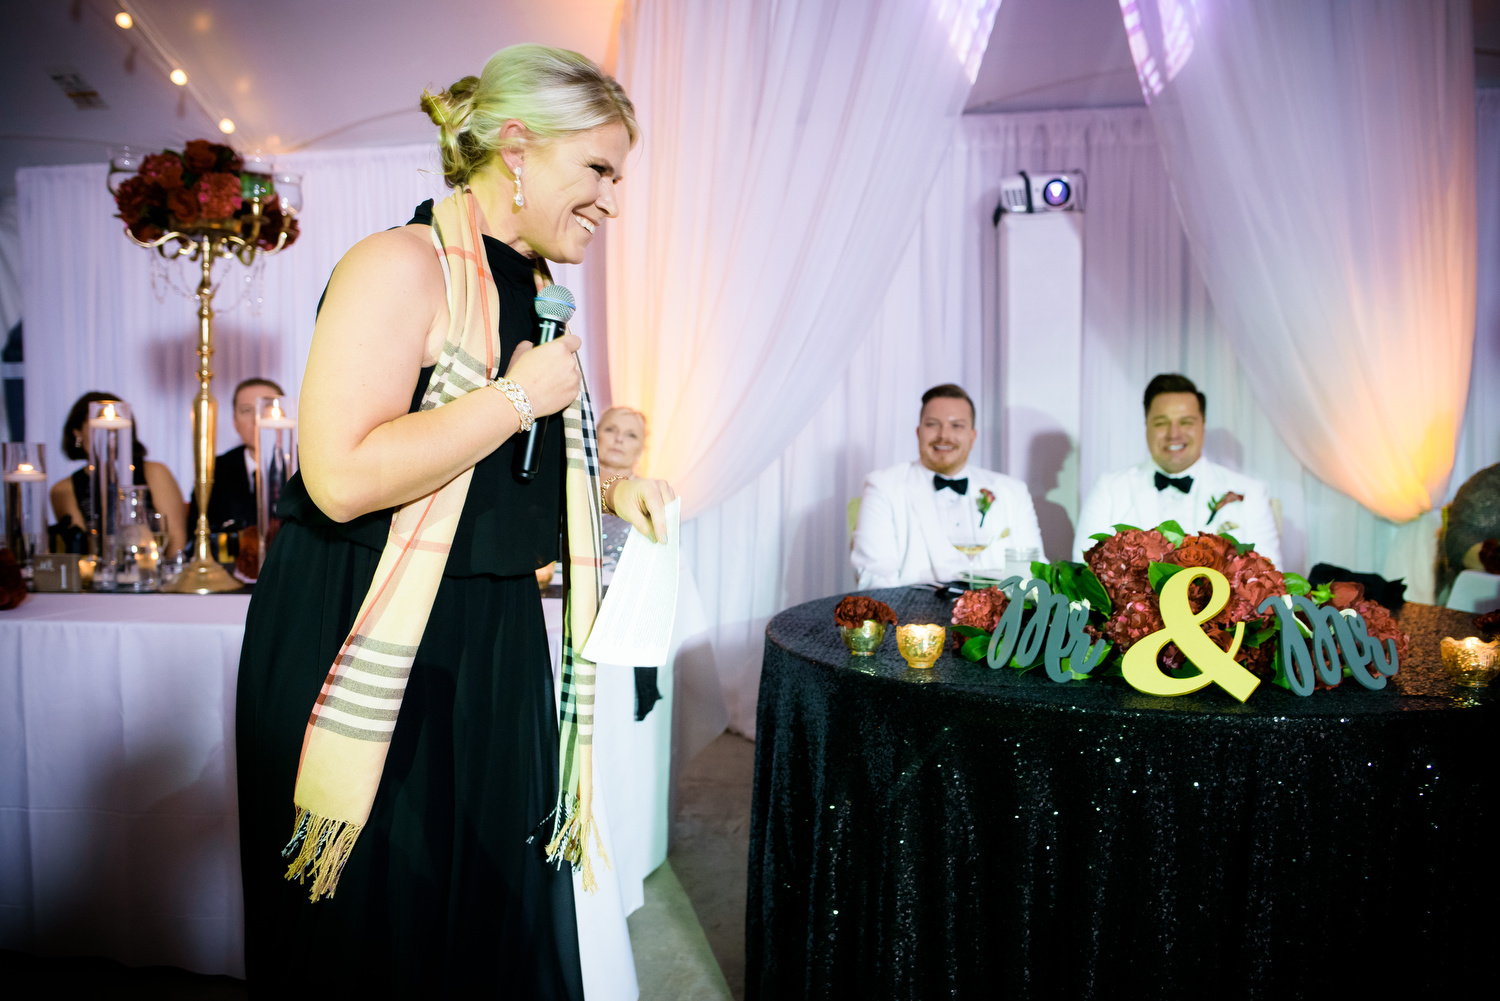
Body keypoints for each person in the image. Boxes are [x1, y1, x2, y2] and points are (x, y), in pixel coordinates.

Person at [235, 45, 673, 997]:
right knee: (378, 931)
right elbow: (343, 477)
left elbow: (480, 476)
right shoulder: (398, 263)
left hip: (494, 635)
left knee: (487, 922)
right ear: (517, 144)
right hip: (362, 624)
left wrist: (603, 491)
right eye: (596, 168)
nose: (608, 196)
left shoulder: (535, 289)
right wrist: (519, 396)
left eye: (616, 174)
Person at [1072, 373, 1282, 565]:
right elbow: (1084, 569)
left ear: (1203, 424)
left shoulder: (1249, 492)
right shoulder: (1109, 489)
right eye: (1161, 423)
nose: (1174, 434)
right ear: (1146, 425)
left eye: (1186, 422)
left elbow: (1268, 575)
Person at [852, 384, 1042, 588]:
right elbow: (875, 577)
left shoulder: (1012, 491)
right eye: (933, 424)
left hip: (1000, 616)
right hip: (913, 615)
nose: (944, 435)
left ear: (972, 436)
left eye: (957, 425)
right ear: (918, 432)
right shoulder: (884, 487)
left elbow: (1034, 572)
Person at [49, 390, 187, 558]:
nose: (110, 434)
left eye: (116, 426)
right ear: (77, 432)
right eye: (100, 425)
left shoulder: (155, 473)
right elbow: (84, 549)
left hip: (156, 575)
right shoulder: (64, 489)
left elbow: (176, 538)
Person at [189, 376, 285, 534]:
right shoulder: (214, 472)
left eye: (266, 408)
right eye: (247, 410)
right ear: (235, 422)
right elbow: (195, 536)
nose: (257, 419)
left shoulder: (306, 467)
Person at [597, 405, 647, 573]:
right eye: (611, 430)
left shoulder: (650, 497)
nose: (619, 439)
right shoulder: (566, 488)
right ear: (595, 435)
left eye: (631, 435)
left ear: (641, 449)